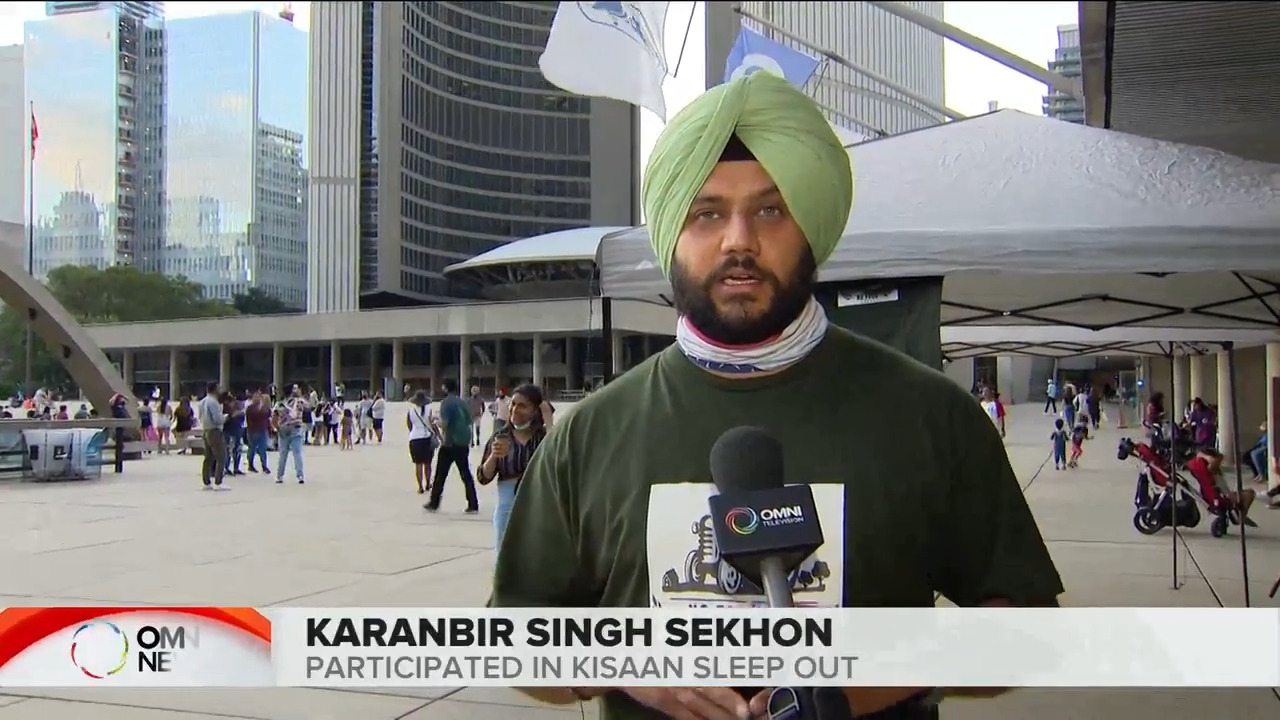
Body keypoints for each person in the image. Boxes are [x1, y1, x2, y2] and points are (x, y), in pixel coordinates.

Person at [489, 72, 1062, 720]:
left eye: (771, 210)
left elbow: (1025, 627)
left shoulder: (932, 416)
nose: (739, 240)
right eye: (707, 213)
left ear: (810, 229)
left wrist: (873, 680)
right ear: (673, 234)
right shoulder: (589, 435)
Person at [477, 383, 549, 550]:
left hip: (538, 504)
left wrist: (548, 420)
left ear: (535, 411)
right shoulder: (500, 436)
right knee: (505, 557)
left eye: (522, 406)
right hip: (507, 506)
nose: (515, 409)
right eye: (513, 404)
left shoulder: (544, 438)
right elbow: (483, 477)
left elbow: (559, 460)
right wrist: (494, 456)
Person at [424, 378, 478, 514]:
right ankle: (473, 503)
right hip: (463, 441)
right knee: (465, 473)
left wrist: (435, 421)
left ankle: (434, 502)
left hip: (450, 442)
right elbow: (469, 420)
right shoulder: (462, 402)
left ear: (445, 388)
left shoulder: (446, 403)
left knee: (440, 474)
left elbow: (445, 424)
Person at [406, 390, 438, 494]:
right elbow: (433, 424)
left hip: (414, 438)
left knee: (418, 464)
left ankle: (420, 486)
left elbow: (409, 425)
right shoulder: (429, 410)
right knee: (428, 463)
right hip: (427, 438)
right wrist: (438, 435)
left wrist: (414, 432)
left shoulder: (411, 411)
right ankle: (428, 483)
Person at [196, 382, 227, 490]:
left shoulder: (202, 402)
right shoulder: (213, 402)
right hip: (215, 431)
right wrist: (226, 417)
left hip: (206, 430)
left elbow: (200, 416)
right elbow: (217, 419)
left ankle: (206, 482)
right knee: (221, 456)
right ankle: (218, 482)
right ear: (215, 389)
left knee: (208, 457)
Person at [273, 391, 306, 484]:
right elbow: (306, 408)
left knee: (283, 454)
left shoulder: (279, 404)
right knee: (297, 453)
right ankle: (300, 475)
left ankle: (279, 475)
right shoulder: (299, 402)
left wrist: (277, 428)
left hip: (283, 430)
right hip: (296, 429)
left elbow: (274, 417)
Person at [245, 392, 272, 474]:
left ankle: (264, 466)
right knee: (252, 449)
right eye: (255, 397)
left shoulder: (265, 408)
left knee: (262, 449)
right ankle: (251, 464)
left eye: (258, 397)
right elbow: (249, 420)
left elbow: (268, 417)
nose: (257, 399)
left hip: (262, 430)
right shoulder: (250, 408)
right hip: (253, 431)